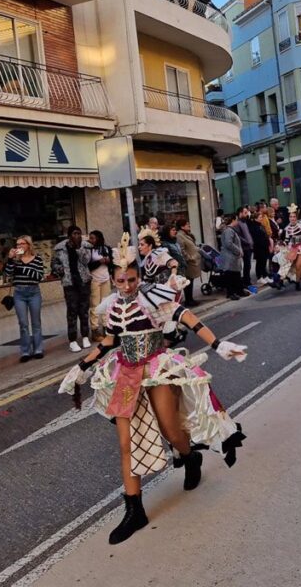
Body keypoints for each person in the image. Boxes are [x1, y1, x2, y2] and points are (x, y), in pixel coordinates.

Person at [58, 236, 246, 545]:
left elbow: (189, 318)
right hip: (126, 375)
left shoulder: (156, 299)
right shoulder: (112, 307)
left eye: (132, 279)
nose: (127, 285)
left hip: (157, 368)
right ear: (114, 279)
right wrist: (81, 367)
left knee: (171, 430)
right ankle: (135, 510)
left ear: (139, 276)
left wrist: (218, 343)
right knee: (125, 444)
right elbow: (109, 342)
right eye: (120, 280)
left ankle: (189, 456)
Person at [4, 236, 46, 362]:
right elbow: (8, 273)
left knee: (36, 323)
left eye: (22, 244)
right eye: (17, 244)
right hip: (19, 293)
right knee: (23, 324)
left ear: (28, 245)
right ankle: (25, 351)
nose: (19, 246)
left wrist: (23, 268)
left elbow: (39, 276)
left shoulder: (37, 259)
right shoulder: (15, 260)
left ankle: (38, 349)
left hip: (34, 292)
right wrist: (10, 259)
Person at [53, 226, 93, 353]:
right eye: (75, 233)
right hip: (69, 283)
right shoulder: (60, 248)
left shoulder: (85, 246)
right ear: (69, 235)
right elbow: (54, 264)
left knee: (84, 310)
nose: (77, 236)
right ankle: (73, 340)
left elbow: (86, 261)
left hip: (83, 282)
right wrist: (61, 270)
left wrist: (79, 248)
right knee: (72, 312)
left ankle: (85, 336)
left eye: (79, 233)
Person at [87, 230, 113, 338]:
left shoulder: (106, 248)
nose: (91, 240)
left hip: (106, 279)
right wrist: (99, 262)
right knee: (95, 305)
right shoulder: (89, 250)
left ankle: (106, 327)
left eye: (93, 238)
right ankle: (94, 329)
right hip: (94, 280)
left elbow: (113, 262)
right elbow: (88, 266)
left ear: (99, 238)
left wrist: (108, 261)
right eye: (90, 238)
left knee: (106, 304)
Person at [174, 220, 202, 307]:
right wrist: (189, 258)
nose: (189, 225)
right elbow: (181, 250)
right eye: (187, 224)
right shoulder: (180, 236)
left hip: (192, 261)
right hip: (188, 262)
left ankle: (190, 299)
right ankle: (188, 300)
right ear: (182, 226)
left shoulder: (186, 234)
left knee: (191, 281)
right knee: (188, 281)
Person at [218, 215, 246, 300]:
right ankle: (231, 293)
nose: (237, 221)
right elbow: (228, 243)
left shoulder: (230, 230)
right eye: (236, 220)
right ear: (233, 220)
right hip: (230, 257)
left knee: (235, 274)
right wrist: (238, 251)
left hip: (232, 257)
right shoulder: (229, 231)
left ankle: (238, 291)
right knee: (230, 275)